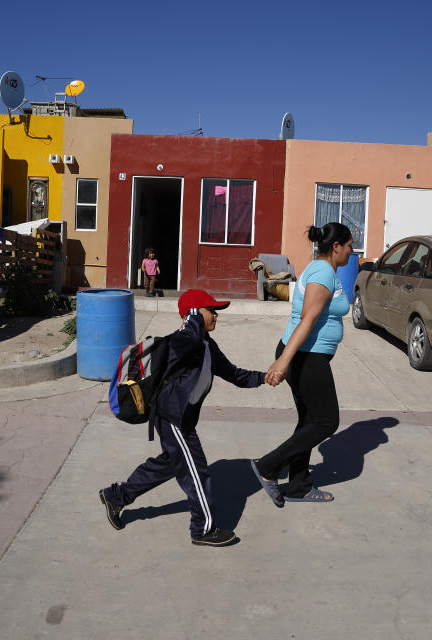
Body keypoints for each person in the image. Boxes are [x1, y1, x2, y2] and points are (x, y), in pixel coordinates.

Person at [100, 289, 273, 546]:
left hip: (182, 419)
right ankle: (202, 529)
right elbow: (188, 340)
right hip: (172, 417)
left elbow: (236, 375)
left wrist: (265, 377)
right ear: (193, 314)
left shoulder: (207, 346)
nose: (216, 315)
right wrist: (192, 317)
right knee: (196, 470)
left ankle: (116, 496)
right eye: (210, 310)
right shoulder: (181, 341)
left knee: (169, 464)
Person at [251, 222, 353, 506]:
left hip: (307, 353)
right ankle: (268, 466)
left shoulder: (322, 269)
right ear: (336, 247)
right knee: (327, 421)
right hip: (306, 355)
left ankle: (298, 486)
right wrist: (284, 361)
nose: (351, 251)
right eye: (349, 246)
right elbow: (308, 319)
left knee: (309, 420)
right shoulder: (322, 272)